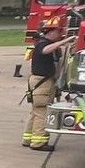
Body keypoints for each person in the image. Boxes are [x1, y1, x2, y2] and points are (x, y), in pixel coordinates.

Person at [23, 18, 74, 150]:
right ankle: (38, 143)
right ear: (50, 32)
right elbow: (46, 50)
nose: (61, 34)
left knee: (36, 112)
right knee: (42, 112)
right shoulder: (42, 43)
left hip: (42, 82)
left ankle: (28, 139)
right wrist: (64, 41)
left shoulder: (48, 43)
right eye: (58, 31)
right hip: (42, 82)